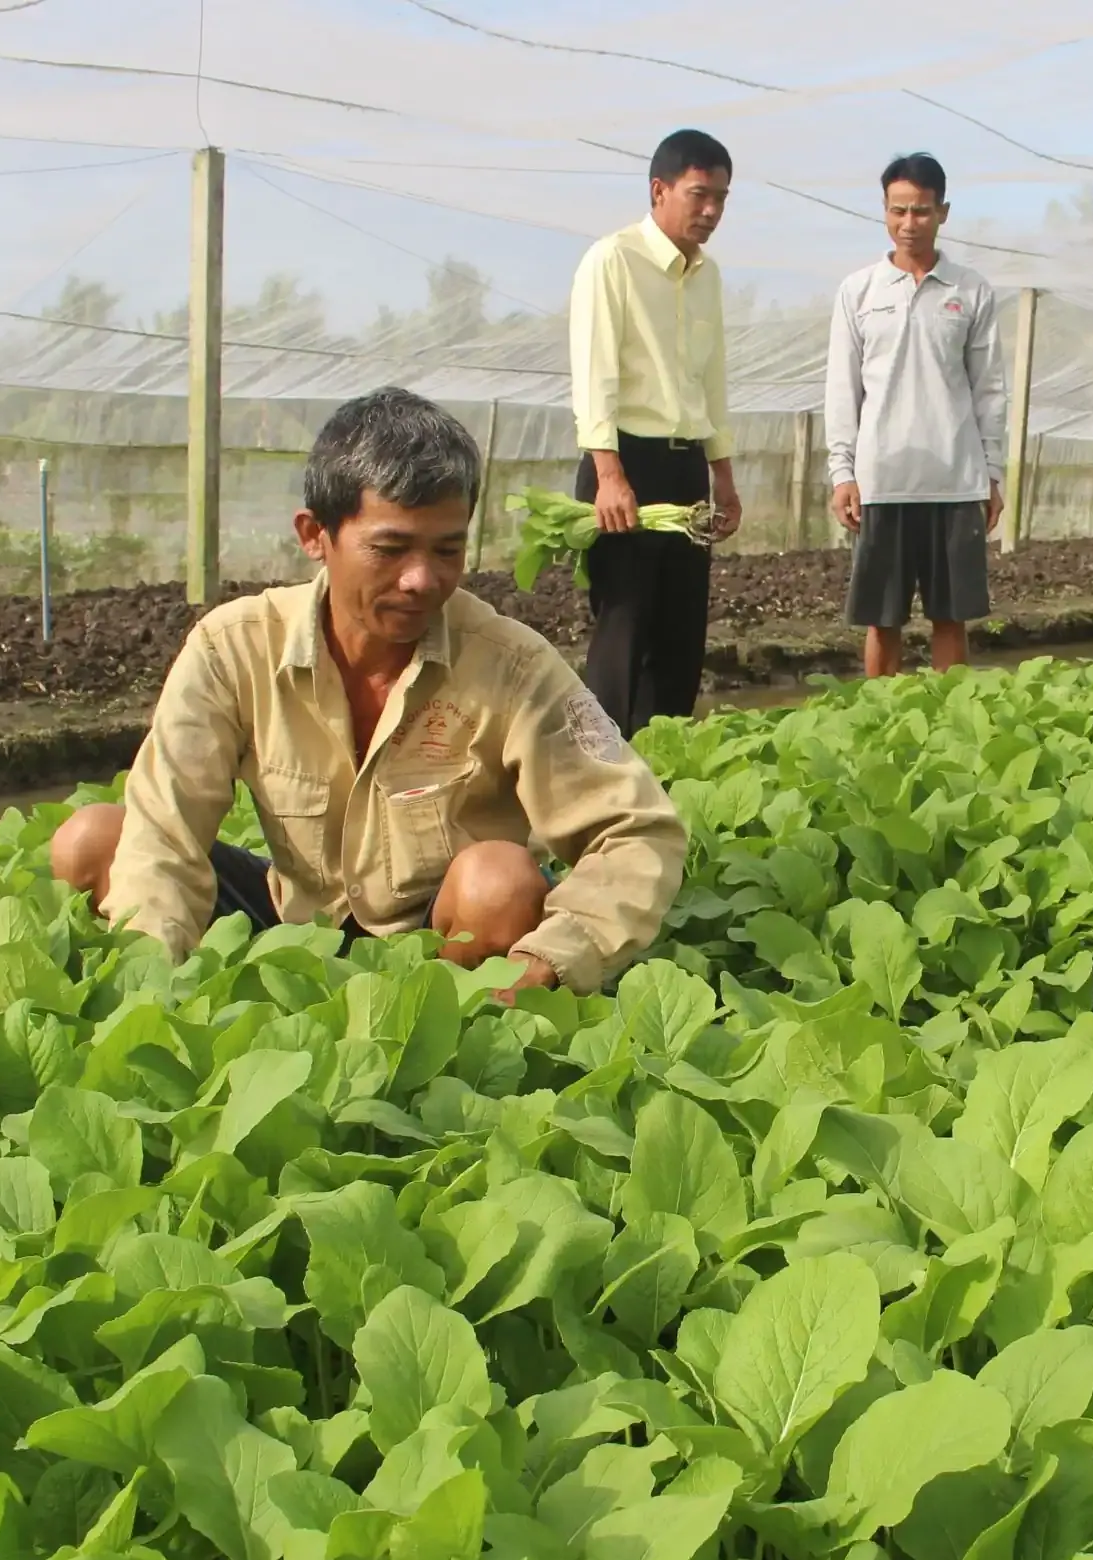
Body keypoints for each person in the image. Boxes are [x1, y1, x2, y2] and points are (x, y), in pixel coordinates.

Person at [49, 386, 687, 1000]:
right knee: (94, 840)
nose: (421, 579)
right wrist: (155, 995)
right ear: (314, 535)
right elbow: (165, 830)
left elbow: (637, 831)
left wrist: (551, 958)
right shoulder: (233, 648)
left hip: (439, 943)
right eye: (390, 548)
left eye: (447, 550)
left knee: (497, 885)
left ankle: (460, 1029)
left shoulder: (512, 664)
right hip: (294, 928)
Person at [568, 127, 744, 733]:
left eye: (720, 198)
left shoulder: (708, 276)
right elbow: (595, 374)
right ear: (659, 190)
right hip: (627, 463)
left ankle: (664, 766)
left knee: (681, 633)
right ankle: (601, 768)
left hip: (685, 466)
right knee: (624, 630)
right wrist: (609, 477)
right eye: (699, 195)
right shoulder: (613, 259)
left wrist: (723, 475)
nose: (711, 211)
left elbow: (711, 380)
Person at [826, 151, 1006, 677]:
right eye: (898, 210)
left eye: (922, 211)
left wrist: (992, 474)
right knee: (882, 621)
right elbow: (843, 389)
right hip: (882, 480)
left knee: (951, 618)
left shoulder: (971, 291)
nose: (909, 223)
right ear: (884, 211)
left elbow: (989, 390)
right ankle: (879, 716)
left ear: (942, 212)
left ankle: (951, 716)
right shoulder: (859, 291)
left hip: (956, 481)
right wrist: (842, 473)